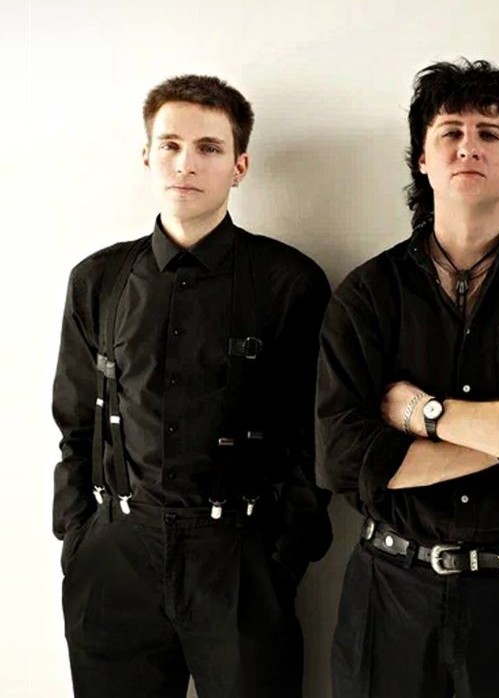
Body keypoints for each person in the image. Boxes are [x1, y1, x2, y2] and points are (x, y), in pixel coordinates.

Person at [316, 59, 499, 697]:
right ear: (422, 159)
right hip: (390, 594)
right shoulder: (368, 294)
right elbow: (343, 458)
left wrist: (423, 414)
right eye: (450, 131)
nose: (468, 146)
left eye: (490, 133)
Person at [52, 74, 332, 697]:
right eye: (170, 145)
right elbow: (74, 421)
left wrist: (285, 555)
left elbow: (310, 433)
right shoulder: (97, 280)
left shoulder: (289, 281)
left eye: (209, 148)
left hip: (241, 558)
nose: (186, 164)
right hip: (115, 559)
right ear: (146, 155)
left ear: (239, 166)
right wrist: (78, 536)